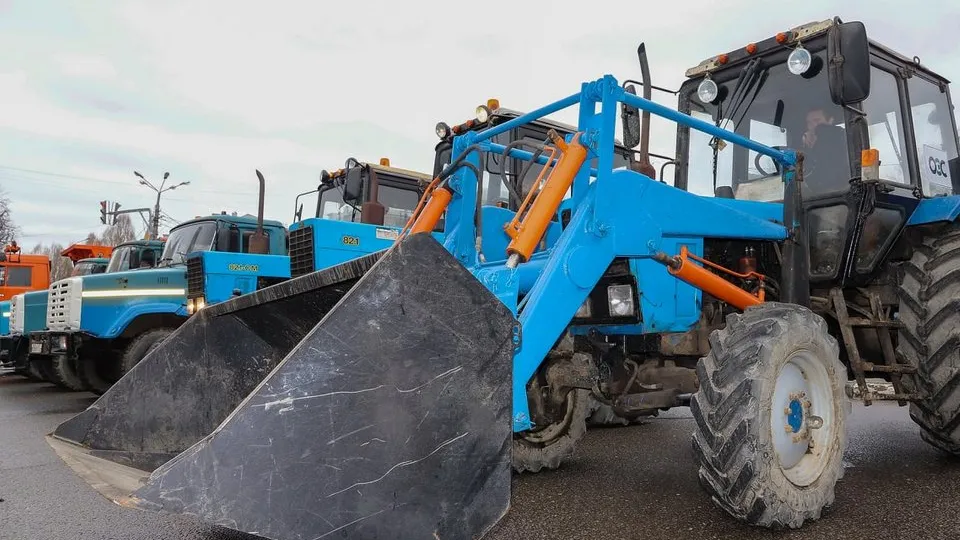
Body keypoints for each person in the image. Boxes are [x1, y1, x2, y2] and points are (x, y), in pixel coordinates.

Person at [800, 107, 848, 194]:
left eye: (817, 121)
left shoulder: (843, 139)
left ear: (830, 120)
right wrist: (806, 148)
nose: (812, 125)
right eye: (809, 122)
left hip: (839, 195)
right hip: (812, 197)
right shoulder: (804, 147)